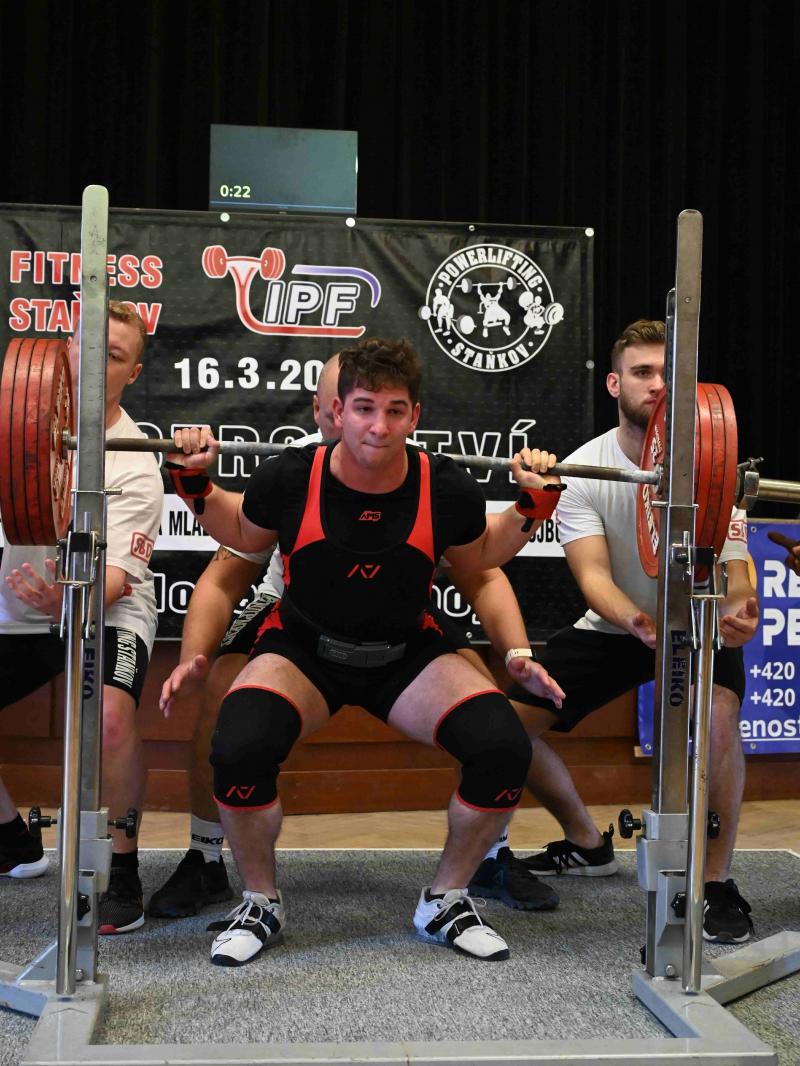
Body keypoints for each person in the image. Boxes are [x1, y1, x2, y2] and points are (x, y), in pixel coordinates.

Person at [165, 337, 564, 966]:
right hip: (304, 651)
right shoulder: (290, 476)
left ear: (415, 415)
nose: (379, 426)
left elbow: (484, 557)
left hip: (405, 656)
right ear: (337, 411)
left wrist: (534, 500)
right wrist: (192, 479)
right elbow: (237, 530)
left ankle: (445, 899)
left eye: (395, 410)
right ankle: (261, 901)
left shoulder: (445, 486)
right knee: (238, 745)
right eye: (364, 408)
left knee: (503, 747)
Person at [491, 319, 759, 944]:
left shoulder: (712, 464)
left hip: (695, 624)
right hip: (619, 627)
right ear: (615, 384)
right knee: (498, 728)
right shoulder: (587, 468)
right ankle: (587, 843)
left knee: (719, 720)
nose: (659, 384)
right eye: (643, 372)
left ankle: (715, 883)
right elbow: (593, 576)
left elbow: (736, 571)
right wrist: (634, 620)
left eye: (670, 373)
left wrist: (740, 610)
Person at [0, 302, 164, 937]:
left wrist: (67, 600)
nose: (91, 362)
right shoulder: (11, 426)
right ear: (61, 351)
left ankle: (123, 870)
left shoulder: (135, 459)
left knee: (112, 718)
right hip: (22, 607)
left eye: (112, 355)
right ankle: (13, 841)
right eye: (84, 345)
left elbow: (117, 579)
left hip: (103, 608)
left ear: (133, 373)